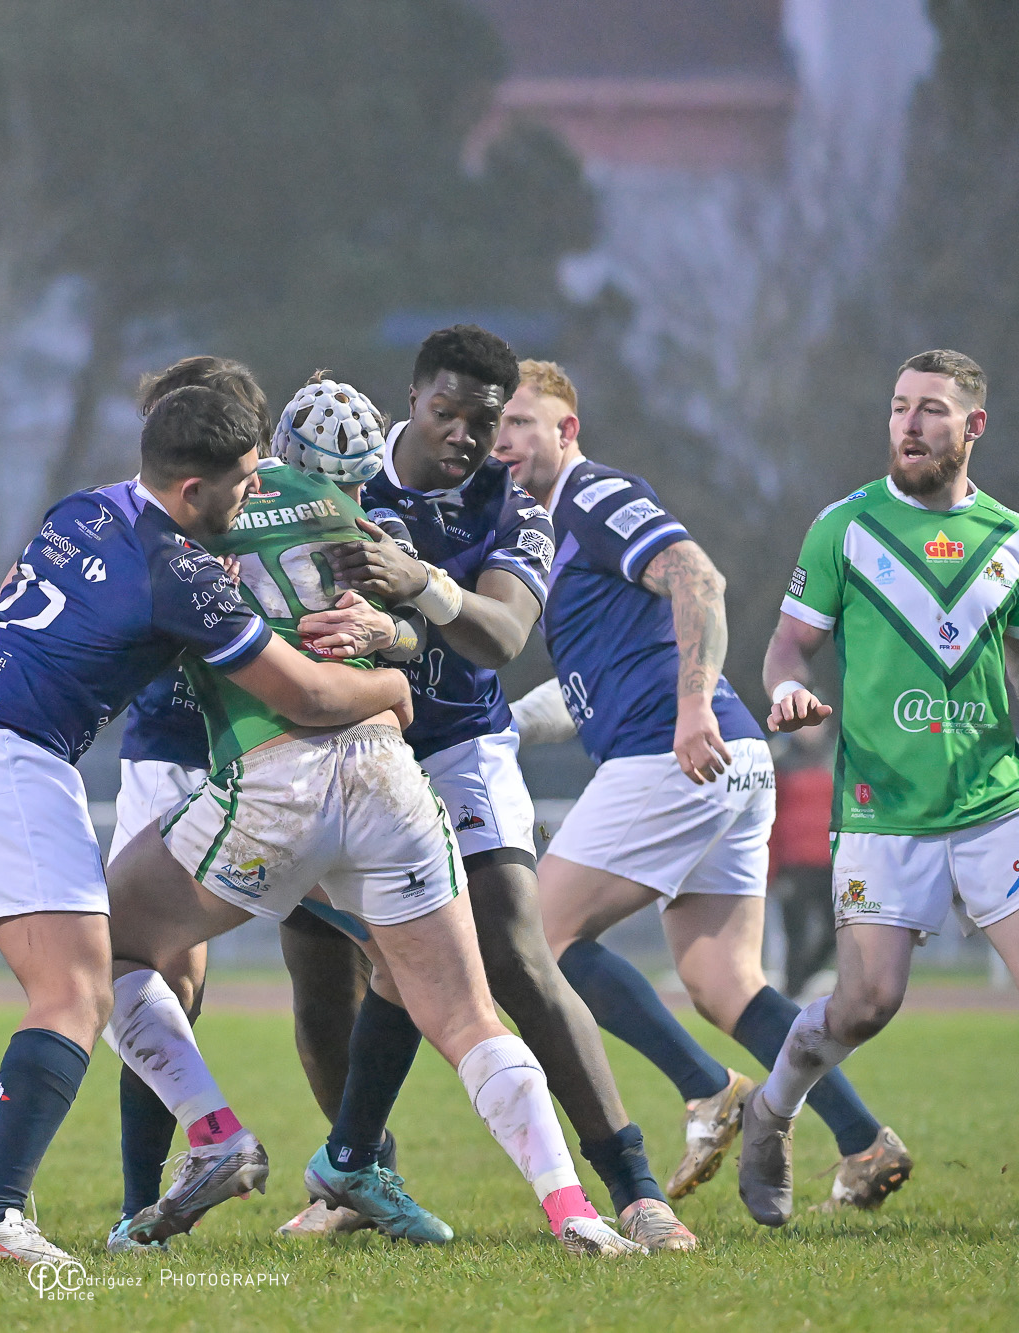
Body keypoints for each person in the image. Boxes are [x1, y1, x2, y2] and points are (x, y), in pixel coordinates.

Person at [0, 385, 411, 1267]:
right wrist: (392, 683)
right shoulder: (180, 572)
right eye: (245, 480)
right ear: (193, 489)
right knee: (78, 992)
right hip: (1, 753)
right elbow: (309, 695)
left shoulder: (83, 507)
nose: (256, 492)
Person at [103, 380, 645, 1258]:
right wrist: (391, 652)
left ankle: (214, 1133)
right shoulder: (354, 517)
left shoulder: (182, 524)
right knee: (466, 1012)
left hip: (276, 782)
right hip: (391, 778)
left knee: (104, 942)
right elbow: (408, 635)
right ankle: (574, 1210)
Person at [491, 359, 908, 1213]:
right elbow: (590, 686)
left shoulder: (592, 495)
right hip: (729, 759)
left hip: (675, 752)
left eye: (522, 423)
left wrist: (690, 708)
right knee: (723, 980)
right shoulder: (548, 531)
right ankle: (865, 1140)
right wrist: (504, 725)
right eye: (496, 427)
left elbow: (698, 577)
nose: (503, 442)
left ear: (567, 431)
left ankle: (708, 1089)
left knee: (536, 941)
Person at [316, 328, 693, 1250]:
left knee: (518, 953)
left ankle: (636, 1189)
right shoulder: (341, 481)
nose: (464, 435)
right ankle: (350, 1170)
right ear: (413, 399)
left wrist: (422, 584)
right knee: (329, 970)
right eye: (446, 412)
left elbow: (503, 635)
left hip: (460, 747)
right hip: (349, 741)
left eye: (483, 422)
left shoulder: (513, 505)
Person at [737, 349, 1019, 1244]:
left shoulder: (1015, 537)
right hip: (883, 807)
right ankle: (771, 1109)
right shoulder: (845, 528)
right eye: (899, 406)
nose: (908, 424)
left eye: (931, 409)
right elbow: (788, 646)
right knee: (867, 1003)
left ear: (973, 426)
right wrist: (788, 692)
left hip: (995, 797)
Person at [106, 363, 413, 1248]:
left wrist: (391, 634)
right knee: (168, 979)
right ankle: (143, 1202)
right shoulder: (149, 524)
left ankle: (360, 1169)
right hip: (177, 753)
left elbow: (402, 625)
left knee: (387, 963)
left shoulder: (295, 507)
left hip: (287, 758)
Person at [768, 723, 838, 997]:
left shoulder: (836, 757)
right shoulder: (780, 760)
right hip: (793, 864)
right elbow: (769, 817)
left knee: (836, 930)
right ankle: (791, 994)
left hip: (829, 862)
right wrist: (772, 869)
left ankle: (798, 983)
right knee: (794, 935)